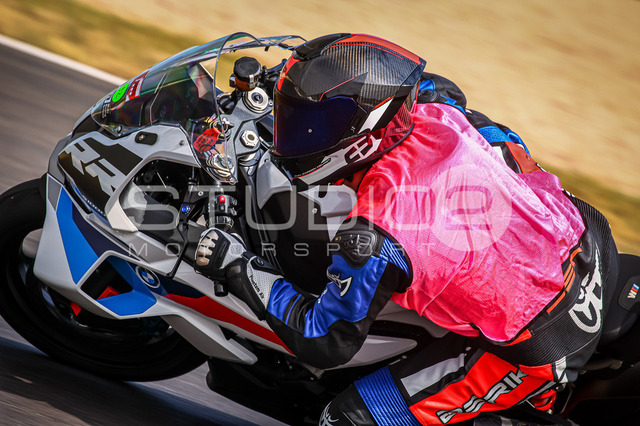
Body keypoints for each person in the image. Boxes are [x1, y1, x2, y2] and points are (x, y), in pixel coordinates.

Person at [194, 33, 619, 425]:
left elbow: (325, 338)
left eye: (309, 125)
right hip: (589, 238)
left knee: (345, 419)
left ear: (360, 140)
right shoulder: (440, 111)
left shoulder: (378, 231)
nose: (294, 132)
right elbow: (444, 90)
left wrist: (237, 266)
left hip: (546, 340)